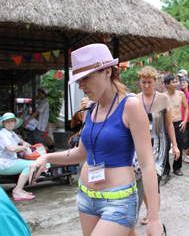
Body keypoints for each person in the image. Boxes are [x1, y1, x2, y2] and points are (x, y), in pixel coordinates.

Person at [29, 44, 165, 235]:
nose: (81, 85)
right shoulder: (90, 108)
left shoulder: (131, 106)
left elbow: (147, 164)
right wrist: (47, 158)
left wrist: (154, 218)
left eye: (86, 78)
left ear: (107, 71)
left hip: (118, 200)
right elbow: (82, 153)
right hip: (85, 197)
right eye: (78, 80)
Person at [133, 66, 180, 227]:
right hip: (138, 144)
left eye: (150, 82)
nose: (146, 86)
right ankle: (149, 209)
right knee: (140, 177)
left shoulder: (163, 99)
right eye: (143, 82)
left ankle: (153, 215)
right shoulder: (134, 99)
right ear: (140, 82)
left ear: (155, 82)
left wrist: (175, 145)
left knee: (153, 178)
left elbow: (169, 124)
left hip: (158, 145)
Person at [0, 112, 40, 200]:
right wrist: (24, 147)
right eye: (7, 122)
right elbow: (12, 148)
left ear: (15, 123)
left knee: (33, 163)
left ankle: (18, 190)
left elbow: (20, 141)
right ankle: (18, 191)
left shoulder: (12, 133)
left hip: (10, 161)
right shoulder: (2, 134)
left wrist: (24, 143)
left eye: (12, 121)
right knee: (31, 165)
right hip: (1, 164)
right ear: (3, 124)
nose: (10, 123)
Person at [163, 75, 189, 177]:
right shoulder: (163, 96)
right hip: (166, 124)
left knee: (179, 145)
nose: (176, 84)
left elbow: (186, 108)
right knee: (165, 146)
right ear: (167, 84)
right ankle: (166, 170)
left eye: (176, 82)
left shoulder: (181, 94)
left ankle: (177, 167)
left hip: (179, 123)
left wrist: (185, 121)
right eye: (173, 82)